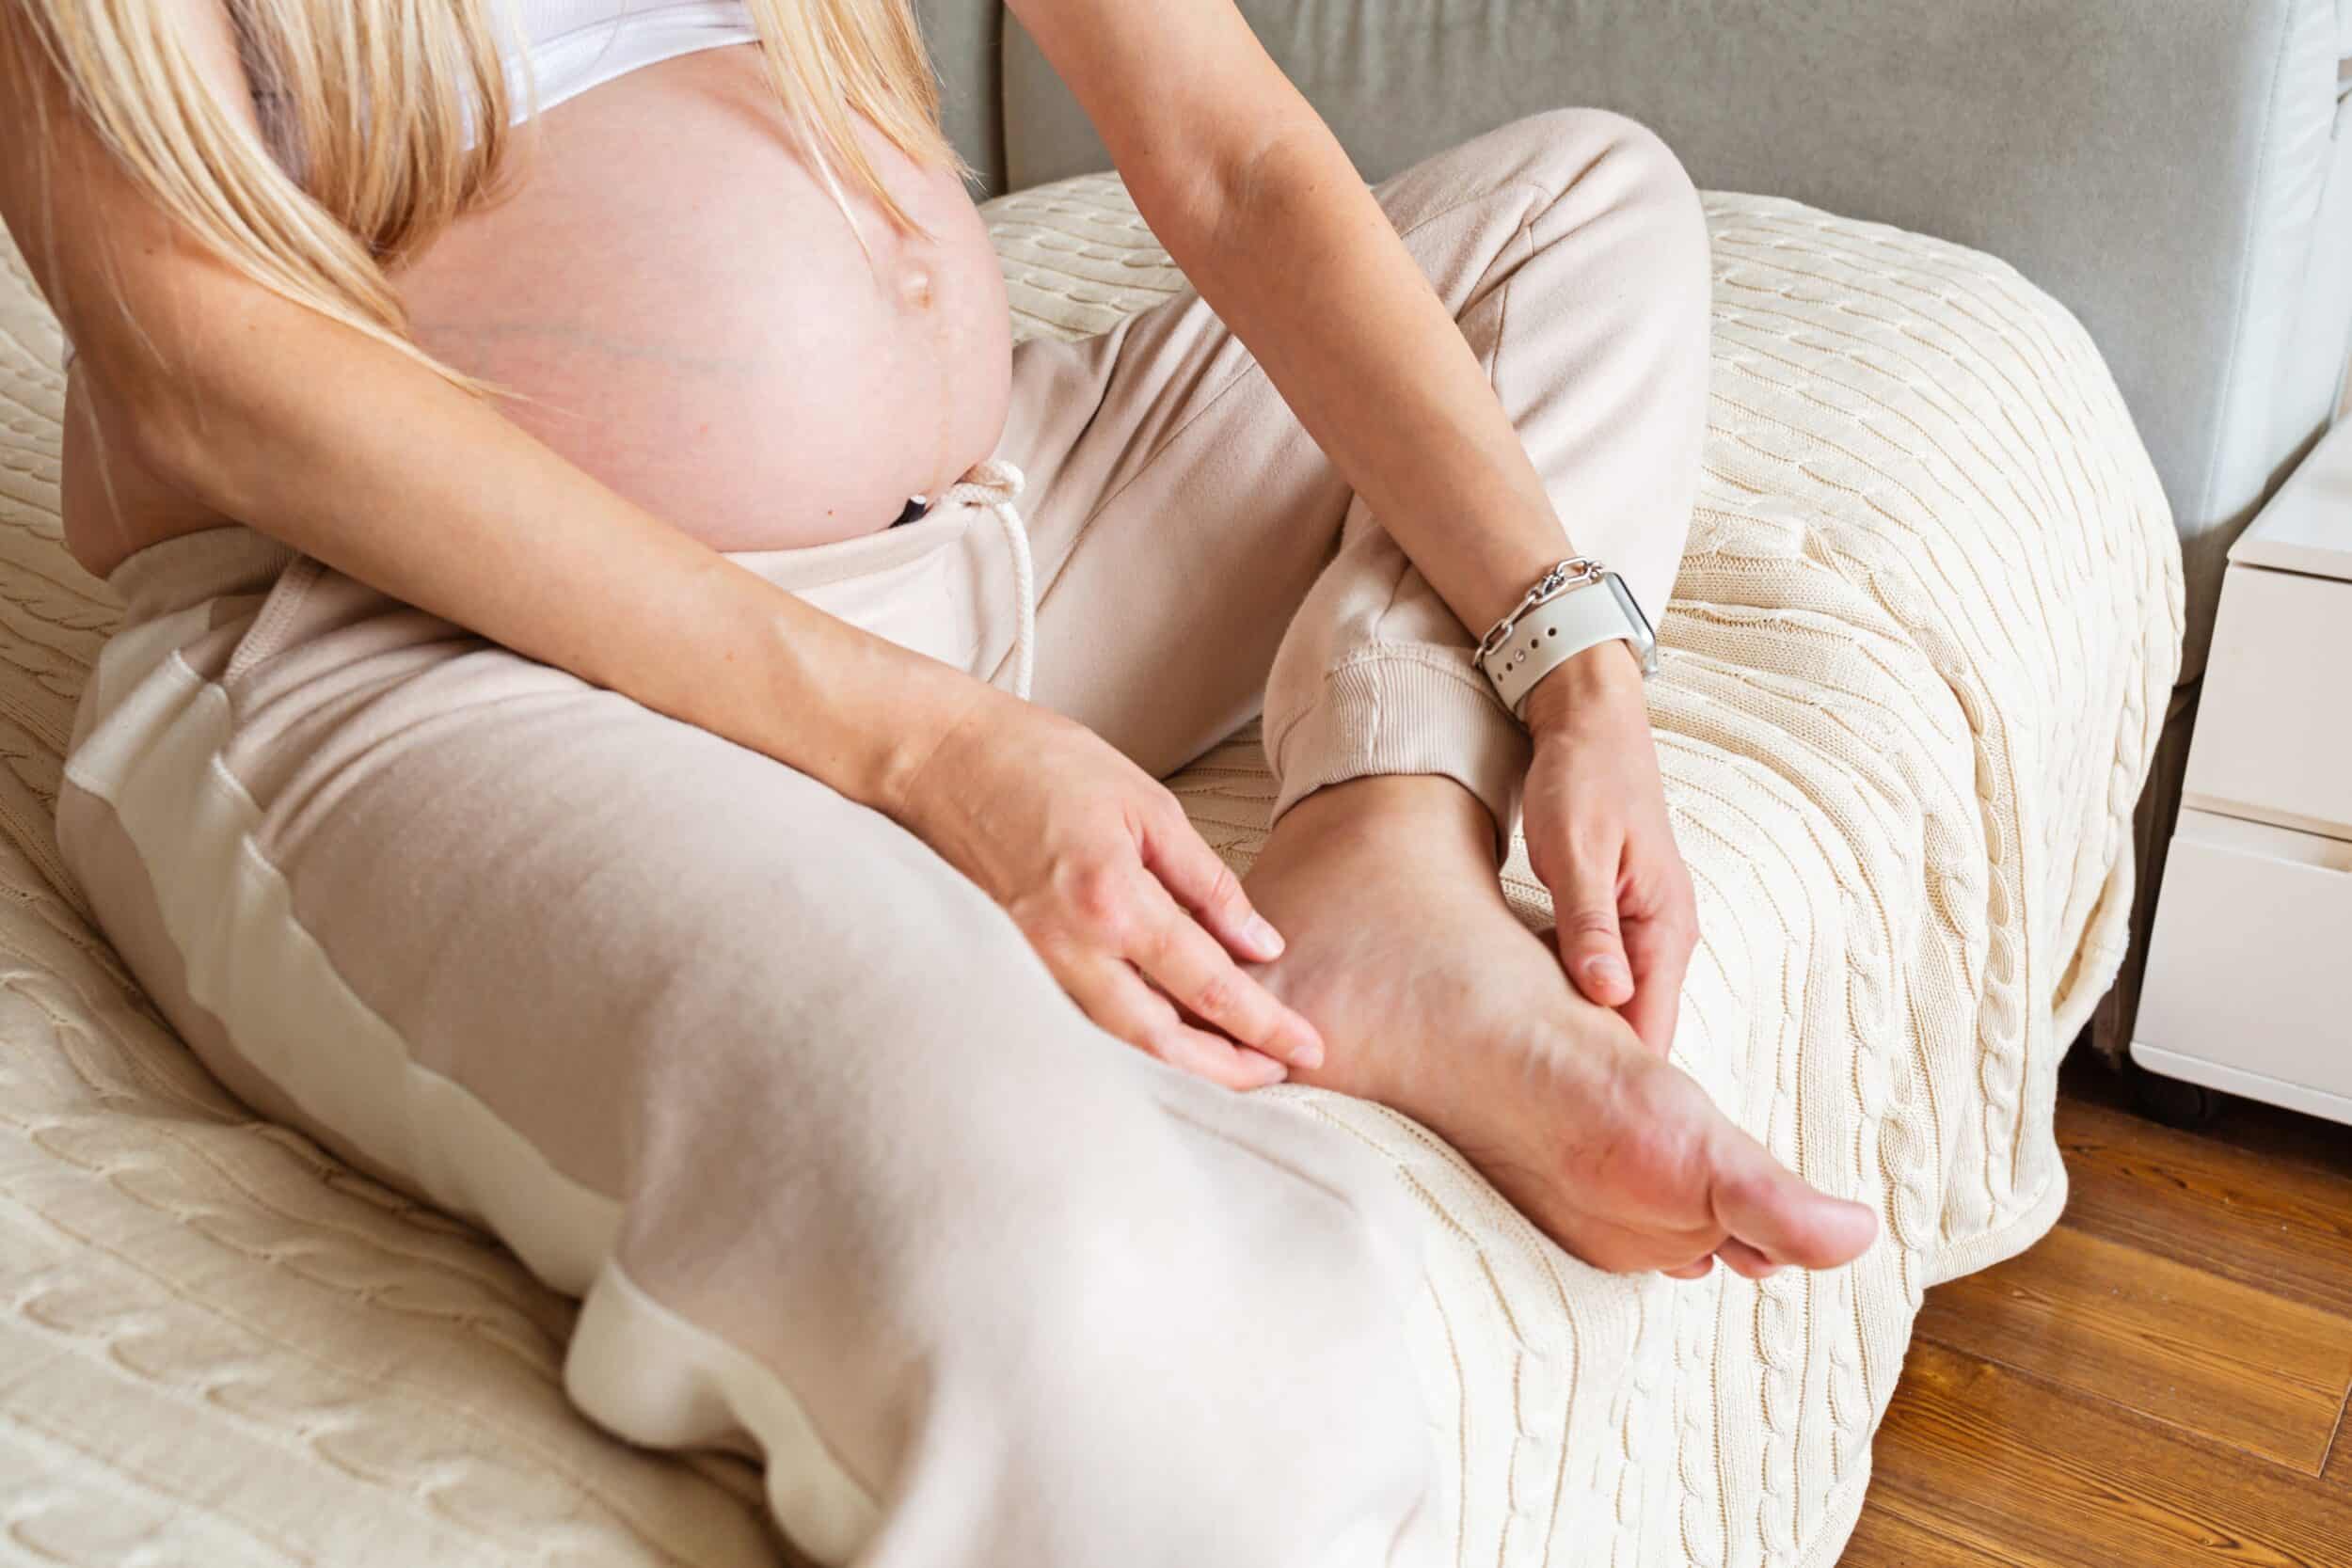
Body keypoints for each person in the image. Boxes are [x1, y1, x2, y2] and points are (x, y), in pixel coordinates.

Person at [0, 1, 1879, 1560]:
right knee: (1084, 1302)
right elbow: (195, 375)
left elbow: (1226, 157)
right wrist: (931, 755)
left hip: (990, 542)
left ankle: (1380, 852)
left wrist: (1569, 669)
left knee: (1578, 210)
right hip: (447, 654)